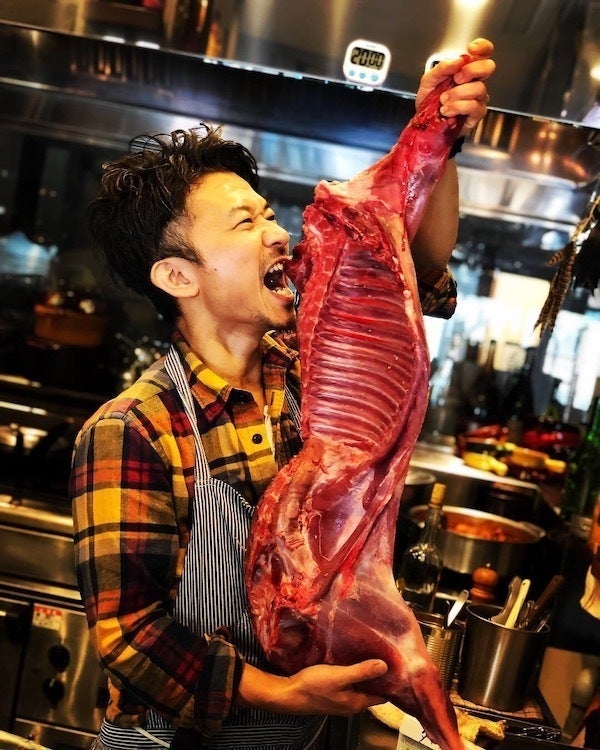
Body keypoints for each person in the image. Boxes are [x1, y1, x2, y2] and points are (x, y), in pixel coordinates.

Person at [70, 38, 495, 750]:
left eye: (268, 214)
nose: (275, 233)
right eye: (245, 223)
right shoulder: (135, 427)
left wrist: (439, 135)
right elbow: (131, 637)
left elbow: (415, 265)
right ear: (177, 277)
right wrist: (285, 694)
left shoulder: (309, 365)